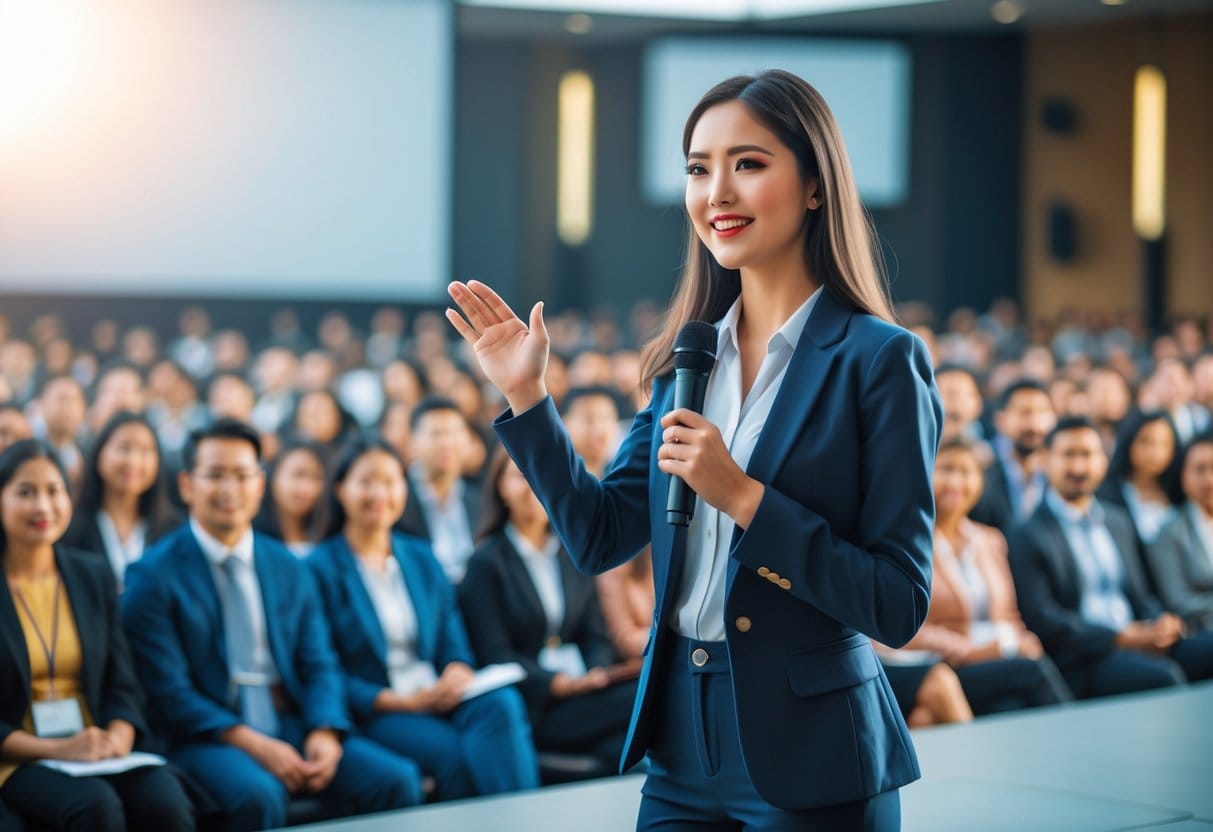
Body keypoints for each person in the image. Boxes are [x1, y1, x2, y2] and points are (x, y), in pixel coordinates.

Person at [447, 69, 939, 829]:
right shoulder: (689, 359)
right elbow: (598, 536)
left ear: (815, 186)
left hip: (813, 749)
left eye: (748, 163)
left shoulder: (877, 360)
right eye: (698, 168)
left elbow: (898, 604)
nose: (717, 191)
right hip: (678, 744)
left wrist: (741, 497)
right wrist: (526, 397)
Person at [120, 419, 420, 831]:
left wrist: (325, 729)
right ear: (188, 484)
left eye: (243, 475)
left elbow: (320, 662)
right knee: (259, 795)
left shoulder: (287, 566)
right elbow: (170, 694)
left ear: (260, 484)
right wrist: (252, 743)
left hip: (290, 723)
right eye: (216, 475)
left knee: (396, 780)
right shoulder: (152, 575)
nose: (230, 489)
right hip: (205, 736)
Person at [307, 438, 538, 800]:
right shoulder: (318, 568)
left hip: (437, 692)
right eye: (367, 482)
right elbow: (324, 666)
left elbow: (450, 632)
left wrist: (457, 668)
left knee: (502, 705)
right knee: (454, 755)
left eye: (390, 481)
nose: (379, 493)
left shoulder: (420, 556)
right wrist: (402, 702)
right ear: (340, 490)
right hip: (380, 707)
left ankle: (528, 820)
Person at [0, 440, 194, 831]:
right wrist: (59, 749)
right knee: (96, 809)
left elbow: (123, 682)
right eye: (26, 492)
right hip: (17, 757)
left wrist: (119, 736)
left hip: (94, 747)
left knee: (165, 799)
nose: (43, 506)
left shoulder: (92, 575)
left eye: (54, 491)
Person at [1007, 416, 1213, 699]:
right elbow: (1043, 617)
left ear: (1103, 461)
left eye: (1088, 455)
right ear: (1045, 459)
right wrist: (1119, 637)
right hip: (1086, 655)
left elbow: (1140, 596)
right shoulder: (1026, 534)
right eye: (1068, 455)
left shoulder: (1117, 521)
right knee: (1162, 679)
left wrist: (1161, 622)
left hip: (1140, 638)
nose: (1079, 467)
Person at [459, 449, 638, 773]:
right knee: (644, 697)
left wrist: (594, 674)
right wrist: (557, 683)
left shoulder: (571, 553)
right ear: (501, 487)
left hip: (584, 694)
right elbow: (495, 654)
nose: (534, 489)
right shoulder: (486, 563)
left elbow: (594, 632)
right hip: (533, 703)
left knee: (623, 755)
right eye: (521, 478)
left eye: (541, 479)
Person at [905, 438, 1071, 714]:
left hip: (995, 661)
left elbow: (1007, 615)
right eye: (946, 469)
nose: (956, 482)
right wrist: (970, 650)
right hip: (942, 666)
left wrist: (1020, 640)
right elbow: (904, 627)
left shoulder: (990, 540)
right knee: (1034, 673)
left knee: (1012, 705)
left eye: (966, 472)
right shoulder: (910, 543)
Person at [62, 413, 181, 590]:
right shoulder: (70, 527)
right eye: (124, 448)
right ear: (99, 455)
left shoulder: (173, 531)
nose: (133, 461)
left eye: (145, 451)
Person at [397, 397, 482, 585]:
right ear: (412, 442)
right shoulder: (396, 502)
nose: (447, 443)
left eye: (454, 433)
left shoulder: (479, 500)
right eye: (436, 434)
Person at [1145, 432, 1213, 632]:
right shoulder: (1169, 531)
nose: (1209, 479)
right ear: (1183, 475)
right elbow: (1178, 601)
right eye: (1200, 470)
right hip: (1199, 630)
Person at [971, 379, 1056, 532]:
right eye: (1024, 413)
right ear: (1001, 420)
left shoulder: (1059, 476)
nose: (1034, 423)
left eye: (1042, 412)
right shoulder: (983, 476)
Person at [1097, 411, 1182, 552]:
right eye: (1145, 442)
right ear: (1130, 441)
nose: (1155, 452)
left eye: (1164, 444)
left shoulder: (1178, 492)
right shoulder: (1109, 493)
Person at [252, 439, 327, 557]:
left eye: (316, 478)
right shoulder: (251, 540)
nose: (307, 488)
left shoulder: (328, 540)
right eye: (298, 475)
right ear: (274, 476)